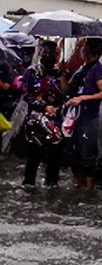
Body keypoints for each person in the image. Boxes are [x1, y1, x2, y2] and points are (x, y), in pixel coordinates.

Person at [65, 38, 102, 190]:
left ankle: (89, 188)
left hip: (88, 117)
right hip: (74, 117)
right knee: (73, 153)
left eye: (84, 47)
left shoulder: (98, 70)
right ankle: (79, 185)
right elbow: (68, 88)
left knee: (88, 153)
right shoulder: (82, 69)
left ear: (90, 50)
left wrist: (84, 98)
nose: (82, 50)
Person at [21, 40, 66, 188]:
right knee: (34, 156)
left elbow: (65, 95)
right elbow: (27, 95)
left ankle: (51, 185)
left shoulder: (59, 73)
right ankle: (29, 186)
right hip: (35, 121)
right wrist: (44, 106)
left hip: (55, 120)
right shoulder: (32, 72)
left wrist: (57, 108)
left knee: (55, 156)